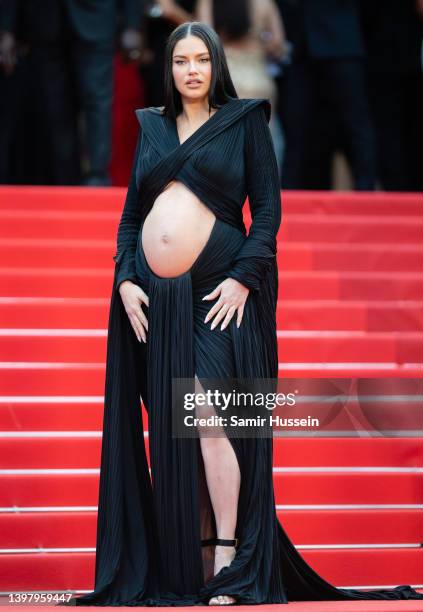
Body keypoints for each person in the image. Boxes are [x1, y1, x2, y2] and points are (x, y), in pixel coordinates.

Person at [60, 21, 423, 607]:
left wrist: (241, 278)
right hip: (157, 302)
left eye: (202, 59)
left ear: (217, 65)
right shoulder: (153, 127)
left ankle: (230, 559)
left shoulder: (244, 121)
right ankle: (195, 562)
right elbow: (131, 220)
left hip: (217, 296)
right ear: (170, 69)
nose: (192, 70)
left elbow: (269, 214)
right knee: (176, 433)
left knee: (207, 417)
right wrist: (125, 279)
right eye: (181, 61)